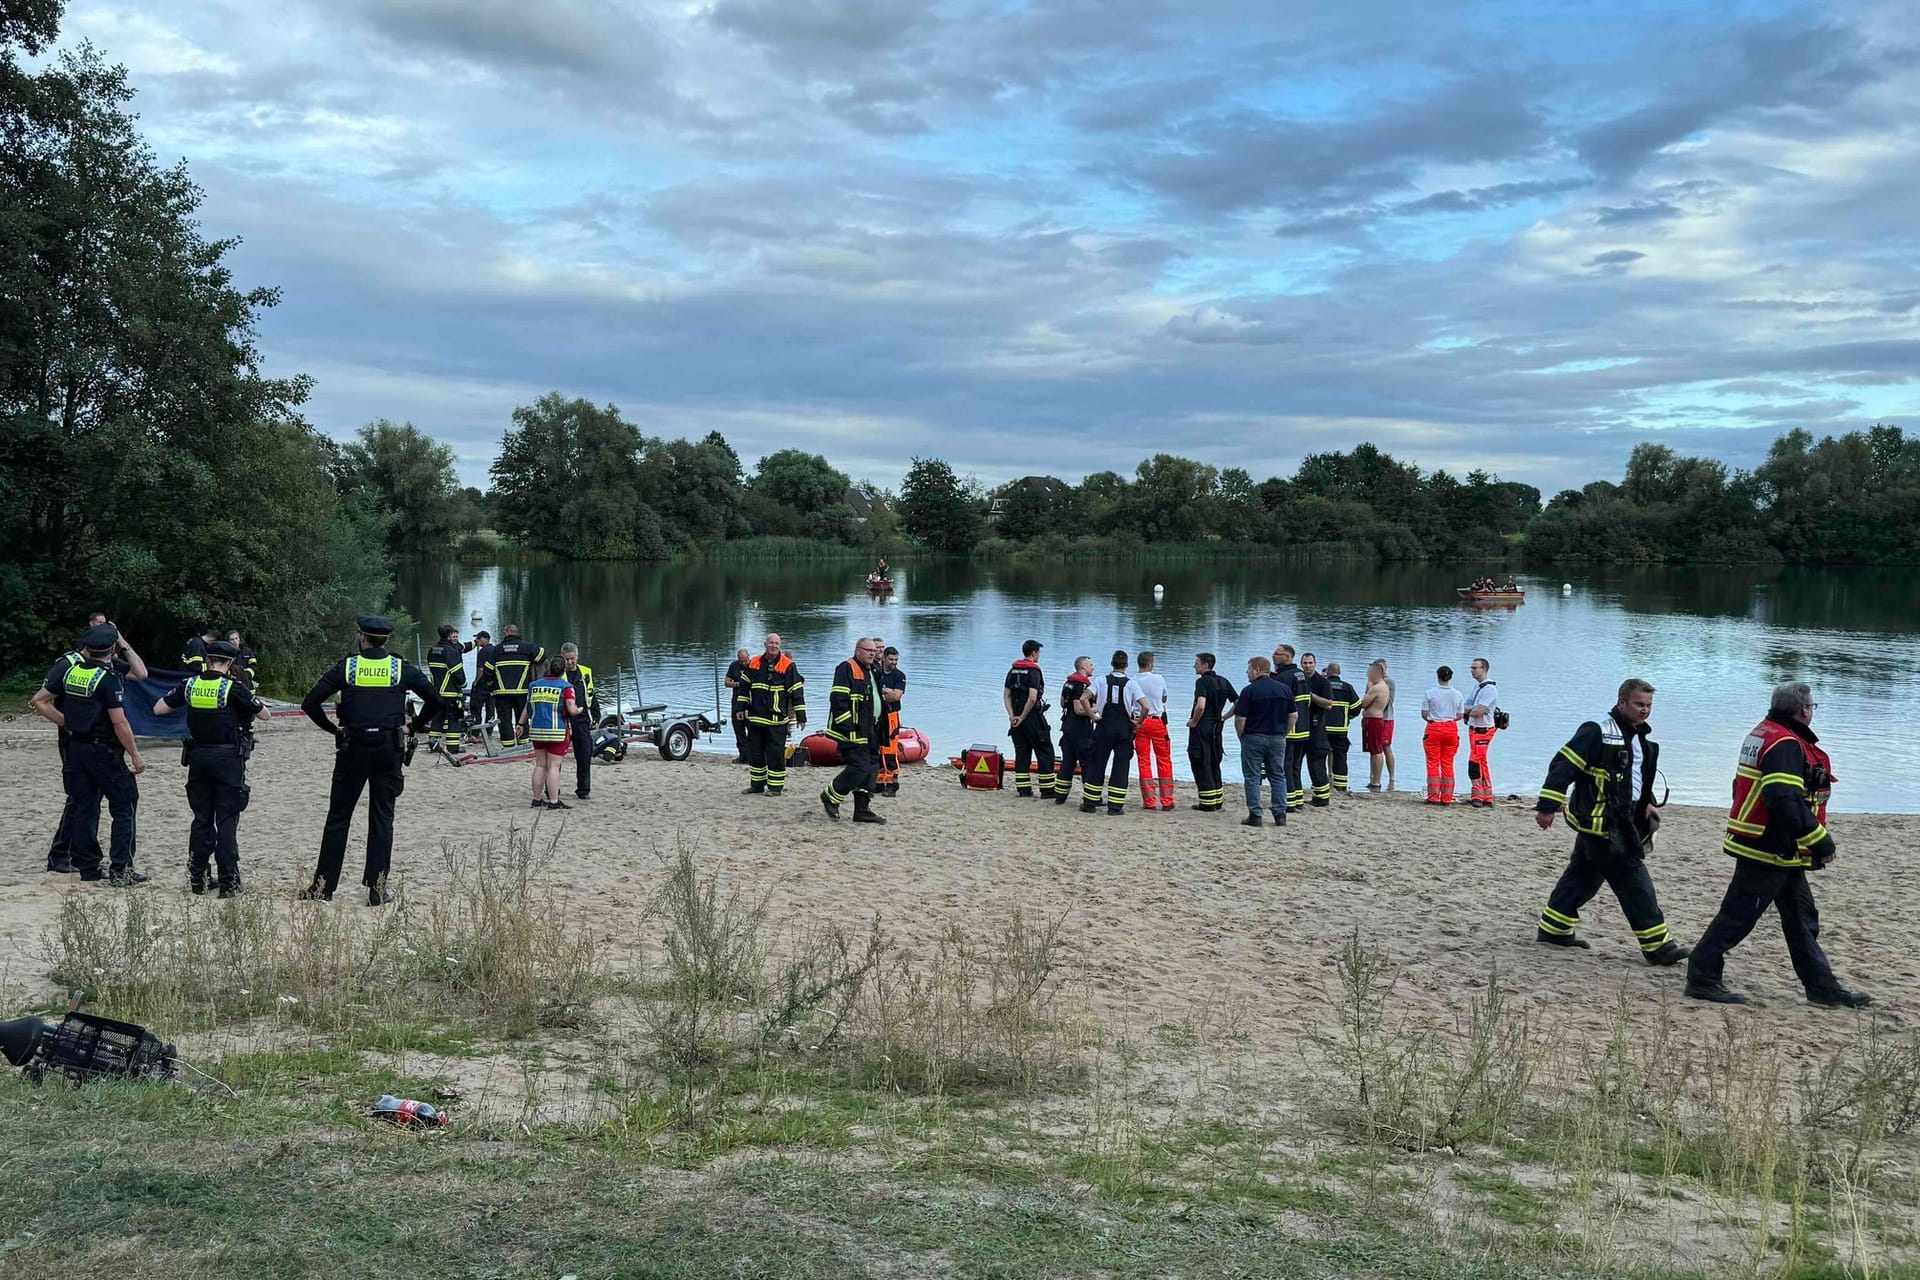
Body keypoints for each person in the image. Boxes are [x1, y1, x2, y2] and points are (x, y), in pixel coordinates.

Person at [1685, 683, 1871, 1007]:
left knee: (1802, 918)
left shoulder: (1766, 733)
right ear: (1803, 710)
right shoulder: (1785, 743)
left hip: (1776, 847)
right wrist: (1819, 840)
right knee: (1738, 916)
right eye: (1813, 706)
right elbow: (1783, 800)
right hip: (1768, 846)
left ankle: (1823, 989)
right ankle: (1701, 976)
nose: (1813, 711)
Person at [1532, 678, 1688, 965]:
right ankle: (1657, 945)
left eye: (1649, 706)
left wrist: (1648, 802)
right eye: (1639, 704)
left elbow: (1635, 777)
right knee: (1633, 879)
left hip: (1622, 820)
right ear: (1622, 702)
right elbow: (1563, 766)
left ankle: (1554, 928)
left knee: (1584, 875)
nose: (1645, 711)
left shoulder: (1640, 737)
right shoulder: (1596, 732)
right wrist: (1547, 807)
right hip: (1603, 824)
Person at [297, 615, 448, 906]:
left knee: (338, 818)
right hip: (388, 748)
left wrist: (334, 729)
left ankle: (323, 887)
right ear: (385, 640)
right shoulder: (399, 668)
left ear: (362, 638)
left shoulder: (349, 666)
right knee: (382, 818)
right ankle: (377, 889)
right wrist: (413, 726)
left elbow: (310, 703)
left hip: (353, 747)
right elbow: (436, 700)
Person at [29, 624, 149, 885]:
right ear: (113, 648)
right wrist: (135, 754)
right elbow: (119, 722)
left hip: (76, 749)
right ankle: (121, 870)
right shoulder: (107, 678)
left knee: (84, 807)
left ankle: (88, 867)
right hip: (104, 750)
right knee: (125, 805)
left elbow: (39, 700)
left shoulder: (71, 672)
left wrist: (67, 722)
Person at [152, 639, 266, 896]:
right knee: (226, 820)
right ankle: (228, 882)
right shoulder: (232, 688)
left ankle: (198, 879)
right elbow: (264, 714)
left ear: (207, 660)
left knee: (202, 819)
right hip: (228, 759)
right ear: (230, 663)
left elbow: (159, 708)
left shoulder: (190, 685)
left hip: (198, 758)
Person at [821, 636, 886, 824]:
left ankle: (862, 810)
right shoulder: (846, 668)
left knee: (872, 768)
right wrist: (848, 727)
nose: (872, 654)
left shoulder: (873, 670)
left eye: (874, 651)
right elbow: (838, 701)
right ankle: (831, 796)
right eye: (869, 651)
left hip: (872, 729)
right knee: (860, 766)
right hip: (852, 730)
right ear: (858, 651)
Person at [742, 633, 805, 796]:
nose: (774, 646)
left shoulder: (788, 665)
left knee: (775, 755)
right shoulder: (754, 662)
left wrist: (801, 715)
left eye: (777, 643)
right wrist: (739, 709)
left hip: (777, 720)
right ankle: (756, 785)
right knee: (755, 754)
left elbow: (796, 691)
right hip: (755, 718)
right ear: (765, 644)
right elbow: (743, 688)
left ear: (780, 645)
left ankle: (775, 788)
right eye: (771, 643)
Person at [1234, 656, 1291, 827]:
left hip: (1254, 737)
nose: (1247, 673)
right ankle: (1280, 815)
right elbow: (1293, 715)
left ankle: (1255, 815)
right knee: (1278, 776)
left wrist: (1241, 736)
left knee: (1252, 776)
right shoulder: (1284, 689)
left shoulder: (1249, 691)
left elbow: (1240, 719)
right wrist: (1284, 733)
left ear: (1257, 670)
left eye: (1249, 669)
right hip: (1277, 738)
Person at [1082, 650, 1141, 815]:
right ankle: (1115, 807)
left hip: (1104, 727)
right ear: (1126, 665)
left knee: (1097, 763)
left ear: (1112, 664)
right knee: (1121, 766)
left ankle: (1090, 803)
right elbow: (1146, 705)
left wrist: (1092, 715)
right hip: (1123, 729)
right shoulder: (1132, 684)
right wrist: (1139, 722)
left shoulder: (1100, 680)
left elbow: (1083, 698)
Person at [525, 656, 582, 810]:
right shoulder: (566, 686)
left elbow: (527, 708)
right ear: (562, 670)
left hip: (536, 730)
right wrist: (580, 710)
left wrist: (520, 724)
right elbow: (571, 709)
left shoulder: (534, 686)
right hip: (557, 731)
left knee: (540, 765)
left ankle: (536, 799)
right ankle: (554, 801)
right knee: (553, 767)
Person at [1186, 652, 1238, 812]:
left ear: (1205, 665)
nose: (1195, 665)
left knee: (1201, 761)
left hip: (1202, 728)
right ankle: (1217, 800)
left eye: (1197, 663)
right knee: (1215, 761)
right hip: (1217, 727)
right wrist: (1224, 717)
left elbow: (1201, 705)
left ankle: (1207, 803)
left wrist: (1194, 721)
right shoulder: (1223, 681)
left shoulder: (1202, 682)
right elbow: (1238, 701)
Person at [1003, 639, 1055, 798]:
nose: (1039, 656)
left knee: (1022, 753)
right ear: (1034, 653)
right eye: (1039, 653)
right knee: (1045, 751)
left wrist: (1013, 716)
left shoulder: (1013, 670)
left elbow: (1006, 695)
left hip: (1015, 718)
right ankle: (1047, 791)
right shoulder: (1033, 671)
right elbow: (1032, 698)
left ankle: (1023, 790)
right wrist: (1023, 716)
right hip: (1032, 717)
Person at [486, 624, 544, 749]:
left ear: (506, 633)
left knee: (505, 721)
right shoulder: (527, 648)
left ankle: (508, 747)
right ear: (517, 633)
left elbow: (487, 671)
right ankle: (523, 745)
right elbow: (542, 655)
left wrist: (490, 685)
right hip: (522, 692)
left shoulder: (496, 650)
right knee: (522, 719)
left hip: (501, 693)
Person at [1131, 651, 1173, 811]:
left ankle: (1149, 802)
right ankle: (1167, 801)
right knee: (1164, 760)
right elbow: (1164, 698)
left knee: (1144, 760)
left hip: (1139, 722)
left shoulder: (1132, 681)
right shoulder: (1159, 678)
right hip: (1157, 722)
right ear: (1150, 663)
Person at [425, 624, 474, 759]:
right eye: (453, 636)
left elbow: (432, 671)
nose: (455, 639)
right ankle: (453, 747)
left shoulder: (433, 650)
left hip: (436, 692)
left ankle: (433, 745)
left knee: (437, 719)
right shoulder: (450, 651)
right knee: (453, 719)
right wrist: (463, 684)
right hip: (451, 692)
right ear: (448, 635)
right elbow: (457, 672)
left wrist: (475, 642)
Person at [1054, 656, 1098, 806]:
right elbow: (1079, 709)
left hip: (1067, 728)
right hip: (1081, 731)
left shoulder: (1068, 683)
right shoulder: (1082, 686)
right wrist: (1095, 710)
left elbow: (1062, 703)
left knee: (1067, 763)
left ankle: (1060, 796)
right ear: (1083, 668)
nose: (1093, 667)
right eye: (1091, 665)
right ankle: (1092, 798)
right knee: (1088, 764)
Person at [1271, 645, 1310, 813]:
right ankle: (1298, 799)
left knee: (1285, 766)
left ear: (1287, 657)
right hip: (1304, 727)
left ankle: (1289, 802)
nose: (1273, 656)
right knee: (1296, 766)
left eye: (1277, 654)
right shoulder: (1301, 674)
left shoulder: (1285, 677)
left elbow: (1279, 704)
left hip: (1290, 728)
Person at [1421, 666, 1465, 805]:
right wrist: (1449, 720)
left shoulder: (1430, 693)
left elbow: (1424, 713)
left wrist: (1431, 720)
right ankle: (1447, 797)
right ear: (1450, 677)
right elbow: (1460, 715)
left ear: (1437, 676)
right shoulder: (1457, 694)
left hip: (1434, 727)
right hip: (1451, 728)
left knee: (1433, 763)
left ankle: (1433, 796)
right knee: (1448, 763)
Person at [560, 643, 597, 799]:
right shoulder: (557, 673)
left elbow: (592, 695)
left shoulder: (585, 672)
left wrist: (596, 715)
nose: (569, 662)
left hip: (582, 720)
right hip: (562, 721)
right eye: (566, 659)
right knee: (557, 759)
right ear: (562, 658)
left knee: (584, 756)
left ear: (577, 656)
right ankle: (553, 789)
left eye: (572, 659)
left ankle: (584, 789)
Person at [1465, 657, 1500, 808]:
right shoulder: (1477, 688)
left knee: (1474, 762)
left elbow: (1478, 711)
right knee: (1481, 762)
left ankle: (1478, 795)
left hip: (1483, 730)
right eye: (1471, 668)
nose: (1472, 671)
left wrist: (1468, 711)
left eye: (1475, 668)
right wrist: (1468, 710)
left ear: (1484, 669)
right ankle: (1487, 795)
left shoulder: (1489, 689)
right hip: (1474, 729)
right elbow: (1466, 706)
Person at [1301, 652, 1334, 807]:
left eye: (1310, 663)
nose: (1307, 666)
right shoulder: (1299, 679)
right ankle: (1301, 796)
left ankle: (1322, 799)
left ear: (1315, 663)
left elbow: (1328, 704)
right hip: (1301, 726)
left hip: (1317, 726)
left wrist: (1311, 696)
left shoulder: (1322, 682)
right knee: (1296, 763)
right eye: (1305, 663)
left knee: (1316, 764)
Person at [1323, 662, 1361, 794]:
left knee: (1320, 756)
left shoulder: (1322, 685)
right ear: (1339, 673)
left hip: (1324, 729)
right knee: (1340, 757)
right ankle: (1341, 786)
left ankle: (1321, 784)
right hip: (1341, 729)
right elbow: (1357, 707)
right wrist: (1347, 717)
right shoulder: (1347, 687)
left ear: (1327, 672)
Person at [1361, 659, 1396, 792]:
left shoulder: (1384, 684)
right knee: (1374, 749)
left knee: (1382, 748)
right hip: (1376, 718)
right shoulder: (1375, 684)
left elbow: (1365, 702)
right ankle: (1374, 777)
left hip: (1384, 718)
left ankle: (1384, 779)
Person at [876, 644, 906, 796]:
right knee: (878, 749)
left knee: (890, 750)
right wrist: (885, 691)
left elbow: (895, 696)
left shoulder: (899, 675)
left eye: (896, 660)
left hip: (891, 715)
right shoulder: (878, 672)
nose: (894, 662)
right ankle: (880, 783)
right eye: (891, 659)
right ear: (884, 658)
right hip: (878, 715)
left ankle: (893, 785)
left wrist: (884, 691)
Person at [725, 647, 752, 764]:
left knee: (752, 729)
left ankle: (752, 755)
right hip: (736, 701)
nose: (744, 663)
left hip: (751, 703)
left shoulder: (754, 666)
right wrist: (739, 684)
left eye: (745, 660)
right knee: (738, 728)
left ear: (749, 657)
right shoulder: (734, 666)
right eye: (741, 661)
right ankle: (742, 755)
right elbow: (726, 682)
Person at [468, 630, 496, 735]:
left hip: (482, 684)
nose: (478, 642)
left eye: (479, 639)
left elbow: (480, 670)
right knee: (490, 709)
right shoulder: (495, 650)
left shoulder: (483, 652)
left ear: (485, 639)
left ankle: (475, 732)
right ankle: (489, 732)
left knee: (476, 708)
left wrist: (476, 681)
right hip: (492, 685)